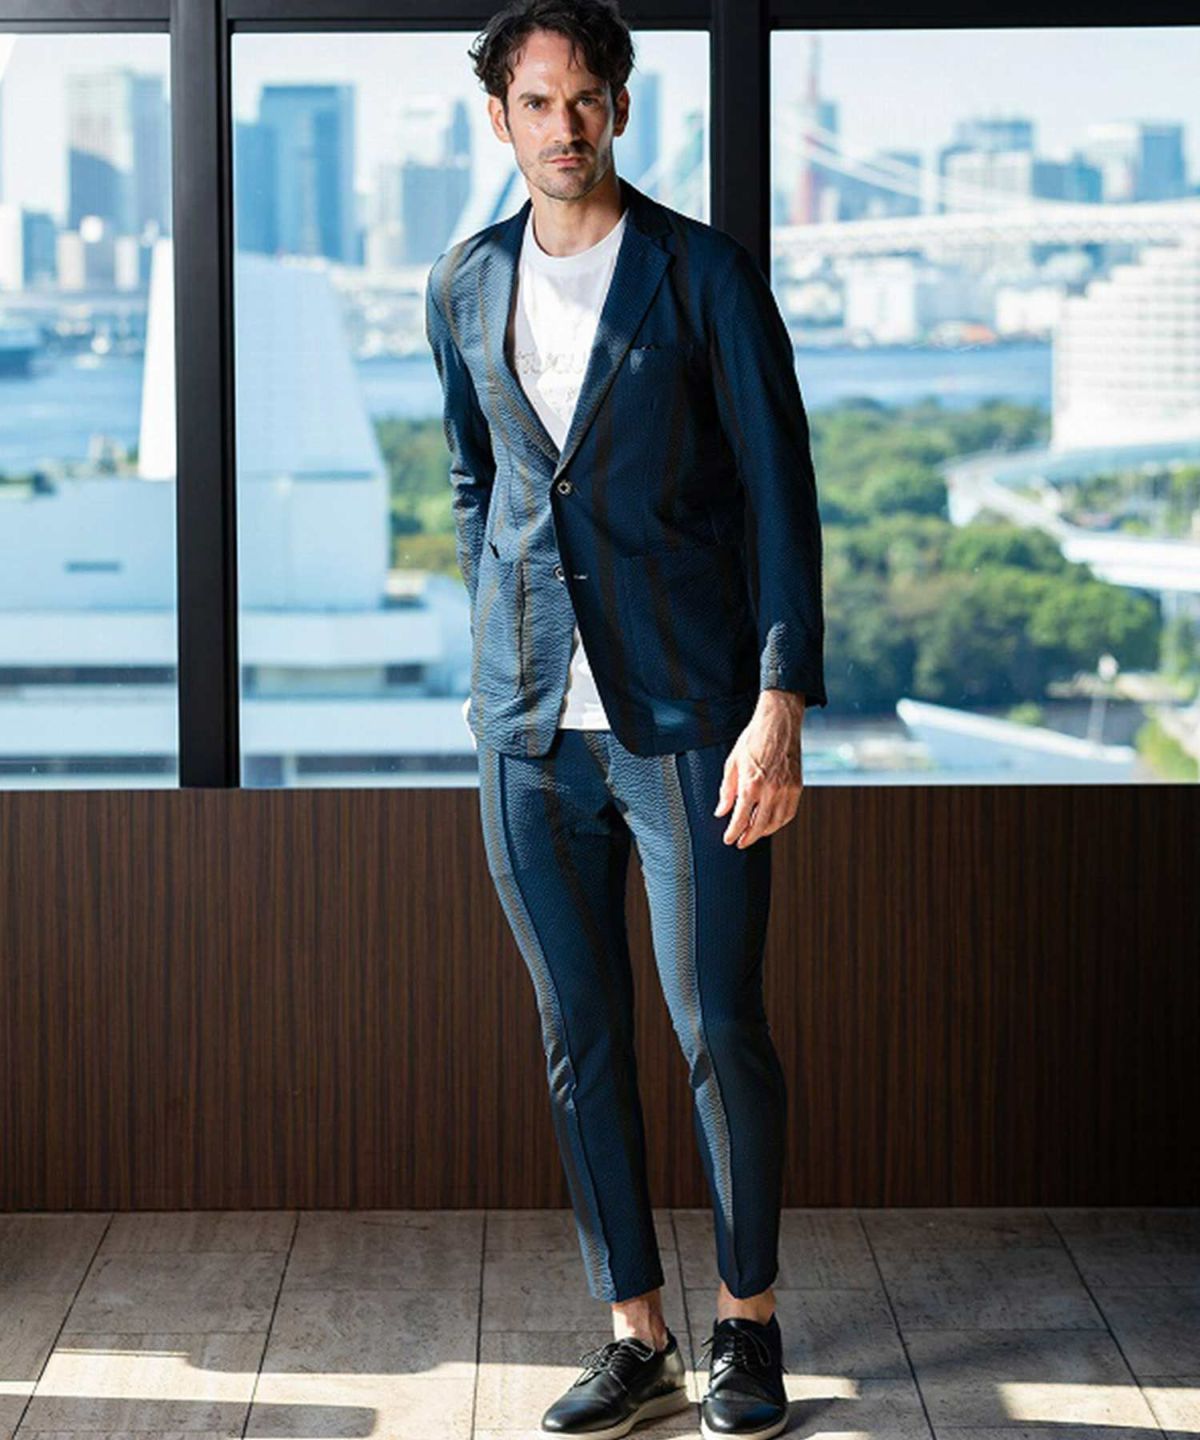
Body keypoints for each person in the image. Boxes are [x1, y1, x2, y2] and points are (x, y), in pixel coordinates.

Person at [426, 2, 827, 1435]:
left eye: (588, 98)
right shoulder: (464, 280)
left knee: (717, 1024)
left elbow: (781, 491)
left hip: (688, 718)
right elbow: (479, 483)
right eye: (538, 102)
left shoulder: (701, 273)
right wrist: (497, 647)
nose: (566, 126)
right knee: (577, 1033)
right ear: (501, 118)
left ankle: (747, 1327)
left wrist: (777, 700)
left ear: (622, 107)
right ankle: (635, 1334)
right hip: (528, 730)